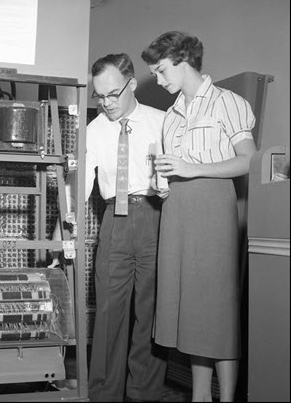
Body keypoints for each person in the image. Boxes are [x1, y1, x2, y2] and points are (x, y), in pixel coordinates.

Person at [141, 31, 257, 402]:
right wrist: (163, 182)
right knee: (191, 308)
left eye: (160, 71)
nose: (158, 81)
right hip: (177, 209)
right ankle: (200, 397)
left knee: (217, 309)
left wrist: (192, 168)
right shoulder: (171, 116)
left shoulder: (228, 102)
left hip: (212, 207)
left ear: (182, 59)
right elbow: (176, 169)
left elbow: (249, 160)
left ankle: (226, 398)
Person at [53, 53, 168, 402]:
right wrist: (61, 235)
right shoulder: (94, 129)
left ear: (132, 84)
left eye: (113, 94)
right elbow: (78, 186)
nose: (106, 103)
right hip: (113, 221)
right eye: (99, 96)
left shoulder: (163, 122)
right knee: (107, 313)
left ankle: (144, 394)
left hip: (156, 215)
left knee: (149, 312)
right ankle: (104, 393)